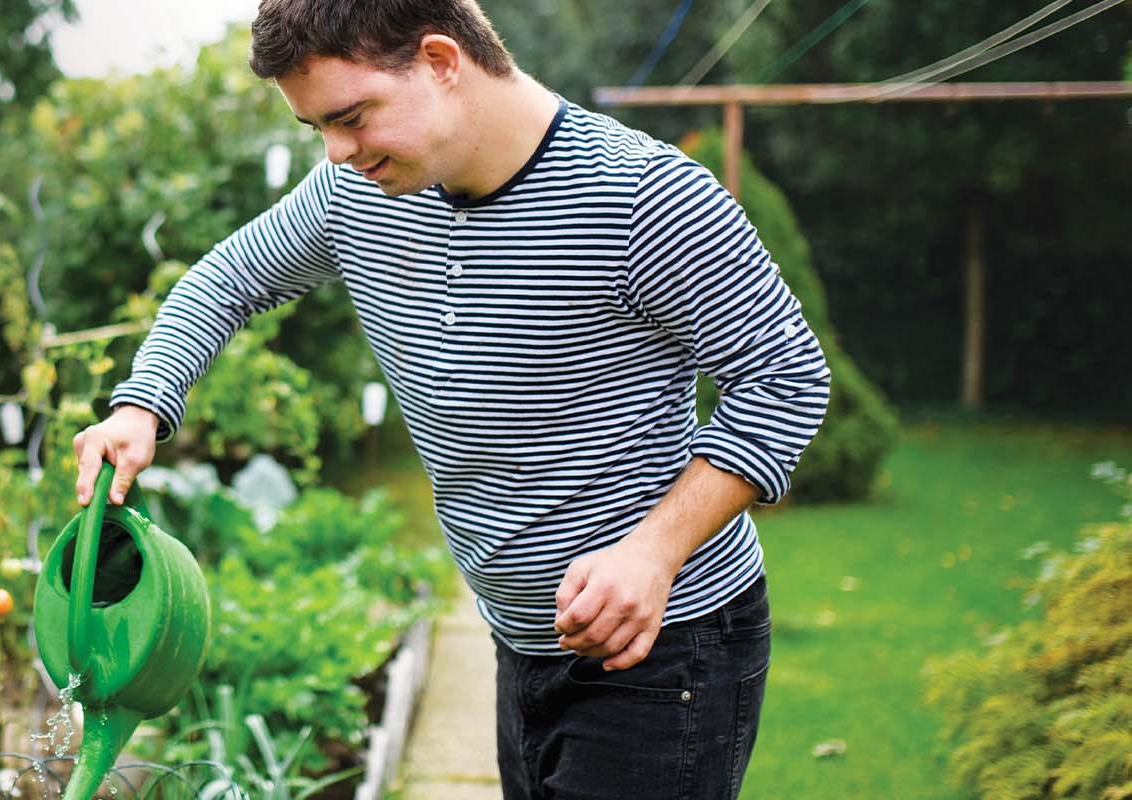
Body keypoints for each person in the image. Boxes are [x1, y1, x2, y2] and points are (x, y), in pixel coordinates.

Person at [69, 1, 829, 797]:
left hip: (666, 649)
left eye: (351, 116)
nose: (336, 151)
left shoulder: (642, 196)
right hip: (520, 642)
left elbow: (785, 378)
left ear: (439, 60)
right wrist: (141, 405)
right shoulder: (352, 194)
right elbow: (222, 282)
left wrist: (653, 552)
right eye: (317, 129)